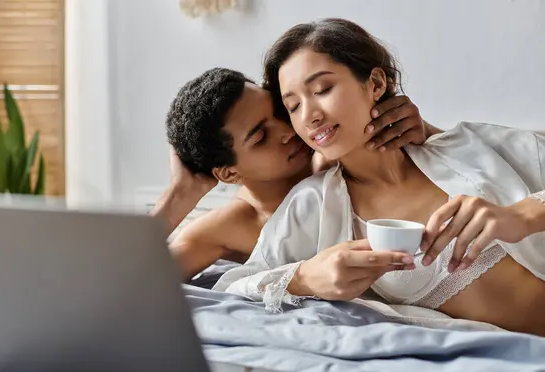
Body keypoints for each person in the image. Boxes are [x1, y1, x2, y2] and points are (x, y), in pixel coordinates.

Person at [213, 18, 545, 336]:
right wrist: (303, 278)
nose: (310, 116)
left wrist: (525, 216)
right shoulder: (313, 204)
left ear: (375, 84)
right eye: (293, 106)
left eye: (323, 89)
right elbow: (230, 292)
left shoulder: (467, 146)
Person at [151, 67, 442, 279]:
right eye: (261, 137)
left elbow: (472, 163)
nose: (289, 130)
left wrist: (426, 132)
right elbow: (124, 288)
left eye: (280, 111)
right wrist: (179, 196)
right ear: (228, 174)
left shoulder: (339, 151)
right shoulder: (231, 226)